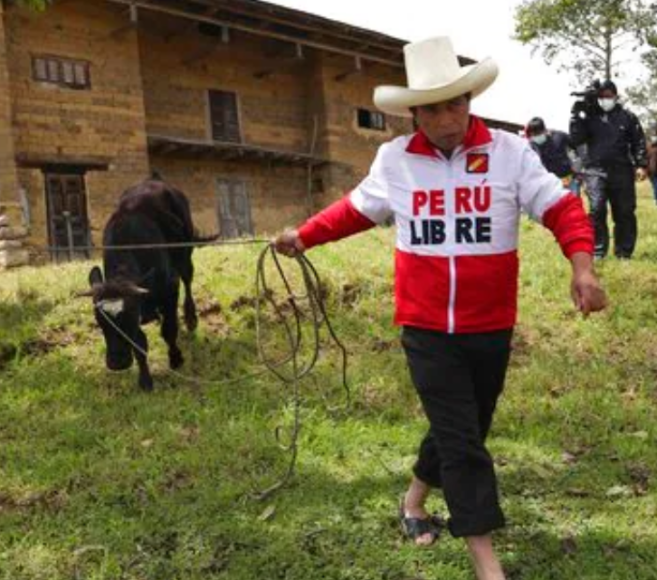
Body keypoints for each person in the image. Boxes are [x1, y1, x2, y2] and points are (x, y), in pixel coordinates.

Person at [274, 36, 607, 580]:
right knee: (461, 442)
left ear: (470, 102)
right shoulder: (395, 159)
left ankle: (412, 501)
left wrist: (583, 267)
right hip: (426, 326)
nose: (448, 117)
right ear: (413, 113)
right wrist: (302, 237)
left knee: (466, 426)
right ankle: (485, 561)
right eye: (433, 107)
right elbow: (355, 211)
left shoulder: (510, 153)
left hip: (491, 324)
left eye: (456, 103)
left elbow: (561, 207)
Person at [569, 79, 648, 259]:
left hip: (622, 171)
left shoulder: (627, 117)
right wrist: (576, 114)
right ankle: (598, 251)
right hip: (595, 171)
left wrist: (641, 164)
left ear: (615, 96)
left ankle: (624, 252)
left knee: (625, 212)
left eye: (609, 96)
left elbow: (639, 141)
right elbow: (576, 139)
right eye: (602, 96)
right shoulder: (588, 116)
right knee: (596, 210)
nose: (605, 99)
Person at [525, 116, 581, 195]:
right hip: (550, 185)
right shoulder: (532, 145)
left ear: (544, 130)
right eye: (533, 135)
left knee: (574, 205)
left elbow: (577, 147)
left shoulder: (559, 136)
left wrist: (578, 166)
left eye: (538, 134)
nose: (536, 137)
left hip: (569, 180)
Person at [648, 135, 657, 205]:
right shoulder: (649, 148)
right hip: (652, 172)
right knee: (655, 186)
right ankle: (656, 199)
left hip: (652, 171)